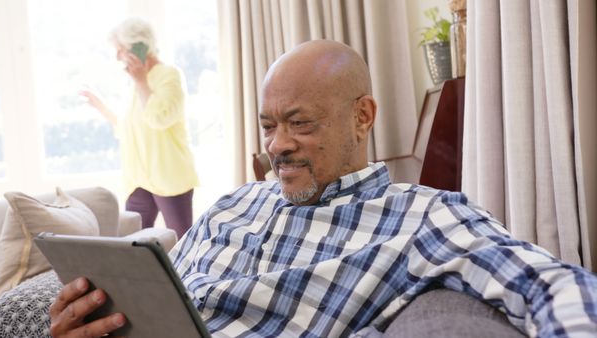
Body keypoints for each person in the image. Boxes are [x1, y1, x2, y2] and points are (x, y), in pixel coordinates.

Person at [50, 40, 597, 337]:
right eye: (268, 126)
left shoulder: (419, 217)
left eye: (300, 122)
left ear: (363, 117)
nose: (278, 145)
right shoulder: (231, 206)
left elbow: (552, 286)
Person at [80, 18, 199, 238]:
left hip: (169, 176)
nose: (117, 56)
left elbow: (160, 118)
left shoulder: (169, 75)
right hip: (139, 179)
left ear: (140, 46)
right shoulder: (134, 82)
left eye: (121, 49)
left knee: (183, 242)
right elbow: (129, 129)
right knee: (132, 243)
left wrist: (142, 81)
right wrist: (100, 105)